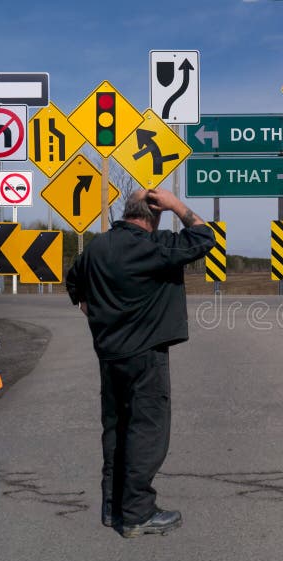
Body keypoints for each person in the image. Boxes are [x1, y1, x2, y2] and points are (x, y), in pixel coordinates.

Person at [66, 188, 214, 538]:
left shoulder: (96, 248)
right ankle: (137, 513)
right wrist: (177, 205)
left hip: (109, 355)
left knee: (116, 430)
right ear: (155, 214)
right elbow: (204, 237)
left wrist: (95, 312)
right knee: (147, 432)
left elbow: (74, 284)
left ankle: (112, 507)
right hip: (145, 356)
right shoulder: (156, 245)